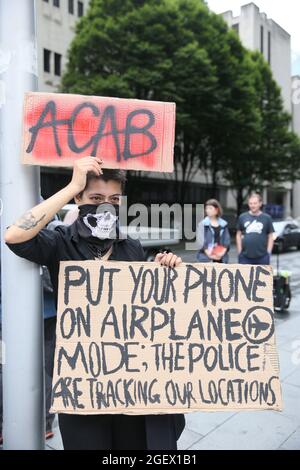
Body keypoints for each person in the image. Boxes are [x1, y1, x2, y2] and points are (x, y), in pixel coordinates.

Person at [4, 156, 185, 450]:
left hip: (128, 382)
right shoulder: (60, 242)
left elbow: (147, 309)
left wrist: (166, 269)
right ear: (79, 199)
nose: (106, 206)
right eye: (96, 198)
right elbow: (15, 236)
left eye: (114, 199)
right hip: (80, 385)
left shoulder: (132, 248)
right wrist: (71, 186)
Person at [236, 192, 275, 265]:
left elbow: (270, 236)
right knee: (244, 276)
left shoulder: (267, 218)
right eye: (250, 203)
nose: (252, 205)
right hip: (244, 257)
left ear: (260, 204)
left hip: (262, 257)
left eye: (255, 203)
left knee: (262, 277)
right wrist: (239, 251)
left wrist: (268, 252)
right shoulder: (242, 217)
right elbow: (238, 234)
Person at [196, 199, 231, 263]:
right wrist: (210, 254)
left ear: (217, 210)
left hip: (221, 258)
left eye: (210, 208)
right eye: (206, 208)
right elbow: (200, 241)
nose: (207, 210)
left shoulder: (223, 224)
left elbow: (227, 241)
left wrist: (221, 253)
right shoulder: (202, 224)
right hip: (206, 258)